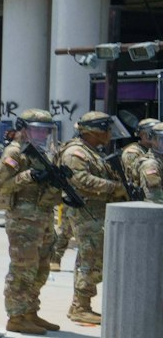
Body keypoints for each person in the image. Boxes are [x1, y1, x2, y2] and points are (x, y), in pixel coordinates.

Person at [0, 111, 62, 334]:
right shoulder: (15, 152)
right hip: (23, 219)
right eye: (37, 129)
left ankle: (30, 311)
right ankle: (16, 316)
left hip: (42, 216)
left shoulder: (44, 151)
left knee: (41, 268)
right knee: (23, 268)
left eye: (45, 130)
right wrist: (29, 176)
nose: (42, 133)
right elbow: (3, 184)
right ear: (24, 129)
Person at [59, 112, 127, 326]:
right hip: (86, 213)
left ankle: (79, 305)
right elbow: (81, 180)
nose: (108, 133)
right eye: (105, 129)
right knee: (90, 258)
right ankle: (81, 307)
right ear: (93, 131)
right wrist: (115, 188)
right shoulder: (75, 152)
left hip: (96, 213)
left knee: (92, 258)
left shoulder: (91, 151)